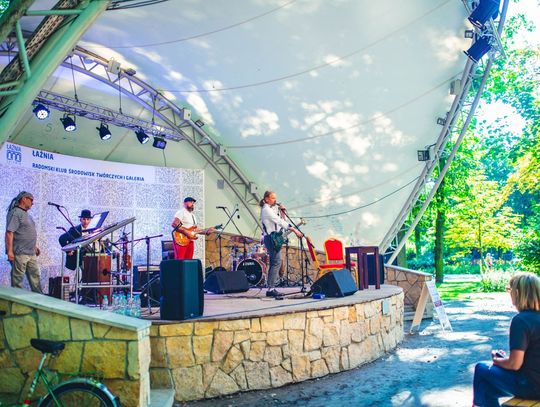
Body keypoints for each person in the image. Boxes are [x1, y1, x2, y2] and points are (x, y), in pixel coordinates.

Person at [472, 273, 540, 406]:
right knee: (486, 388)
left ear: (517, 293)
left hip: (532, 386)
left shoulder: (521, 320)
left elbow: (515, 364)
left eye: (510, 290)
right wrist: (505, 360)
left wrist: (496, 360)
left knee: (481, 368)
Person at [259, 190, 303, 297]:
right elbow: (278, 221)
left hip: (274, 238)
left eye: (275, 198)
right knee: (276, 262)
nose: (275, 200)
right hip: (271, 238)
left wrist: (283, 212)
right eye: (273, 198)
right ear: (266, 199)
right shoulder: (266, 209)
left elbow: (281, 221)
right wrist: (294, 230)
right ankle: (271, 288)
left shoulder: (270, 209)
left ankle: (271, 288)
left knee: (275, 262)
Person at [5, 191, 42, 293]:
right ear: (24, 199)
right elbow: (9, 232)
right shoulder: (15, 213)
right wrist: (10, 251)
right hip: (19, 253)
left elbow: (26, 232)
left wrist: (34, 247)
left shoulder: (26, 214)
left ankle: (39, 300)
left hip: (31, 253)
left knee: (36, 278)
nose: (32, 203)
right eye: (31, 200)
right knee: (17, 280)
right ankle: (17, 301)